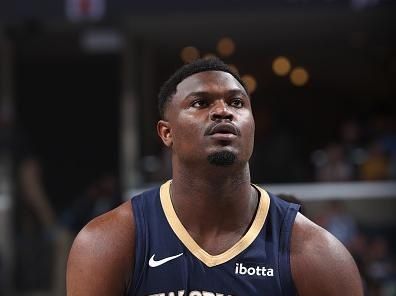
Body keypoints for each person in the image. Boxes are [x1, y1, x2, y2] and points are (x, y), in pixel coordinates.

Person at [66, 58, 363, 295]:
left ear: (253, 125)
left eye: (236, 103)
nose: (223, 111)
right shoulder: (108, 242)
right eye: (201, 103)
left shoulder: (317, 253)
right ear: (166, 133)